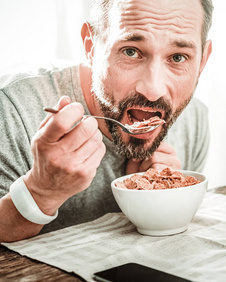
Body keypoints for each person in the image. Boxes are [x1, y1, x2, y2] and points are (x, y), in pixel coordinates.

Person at [0, 0, 213, 242]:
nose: (153, 90)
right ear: (91, 46)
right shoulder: (11, 110)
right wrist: (42, 191)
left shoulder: (194, 120)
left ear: (202, 60)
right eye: (131, 51)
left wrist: (161, 202)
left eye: (178, 57)